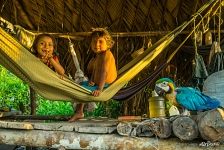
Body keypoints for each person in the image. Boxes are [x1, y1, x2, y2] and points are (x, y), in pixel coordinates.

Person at [69, 28, 117, 122]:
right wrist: (92, 80)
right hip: (98, 84)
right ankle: (80, 111)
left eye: (100, 42)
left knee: (82, 90)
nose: (97, 45)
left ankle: (79, 112)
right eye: (94, 42)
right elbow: (96, 71)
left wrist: (99, 89)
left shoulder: (106, 54)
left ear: (108, 44)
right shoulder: (98, 56)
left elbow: (104, 72)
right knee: (81, 86)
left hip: (106, 85)